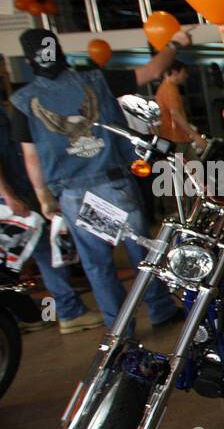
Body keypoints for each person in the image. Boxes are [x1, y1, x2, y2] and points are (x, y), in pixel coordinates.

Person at [10, 28, 182, 330]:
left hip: (74, 195)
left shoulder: (24, 101)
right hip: (114, 183)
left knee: (98, 265)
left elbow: (31, 155)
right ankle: (160, 309)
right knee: (141, 251)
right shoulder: (95, 80)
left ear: (27, 59)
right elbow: (152, 70)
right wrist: (175, 43)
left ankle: (120, 332)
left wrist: (44, 198)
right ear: (60, 50)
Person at [0, 91, 98, 334]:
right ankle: (68, 312)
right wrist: (9, 197)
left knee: (25, 256)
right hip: (11, 197)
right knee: (45, 251)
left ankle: (30, 314)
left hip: (15, 192)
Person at [156, 60, 205, 154]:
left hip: (177, 138)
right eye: (184, 72)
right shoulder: (169, 88)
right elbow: (175, 114)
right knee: (193, 167)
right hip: (175, 139)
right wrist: (195, 136)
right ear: (174, 72)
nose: (186, 76)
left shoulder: (166, 87)